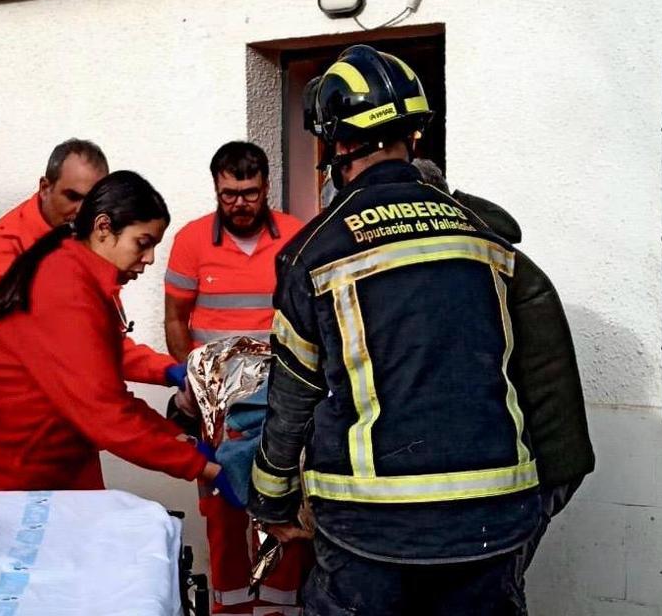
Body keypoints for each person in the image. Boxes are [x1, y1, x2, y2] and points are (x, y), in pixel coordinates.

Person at [249, 44, 542, 616]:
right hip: (495, 514)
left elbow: (292, 400)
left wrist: (271, 497)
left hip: (373, 527)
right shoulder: (484, 236)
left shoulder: (313, 252)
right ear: (414, 137)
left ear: (336, 144)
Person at [0, 171, 238, 512]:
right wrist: (199, 465)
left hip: (29, 467)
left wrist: (179, 437)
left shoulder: (80, 275)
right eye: (142, 244)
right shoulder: (65, 285)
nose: (148, 259)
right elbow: (105, 413)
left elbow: (103, 384)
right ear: (103, 227)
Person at [410, 158, 594, 570]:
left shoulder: (475, 268)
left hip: (533, 469)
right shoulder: (486, 255)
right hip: (540, 464)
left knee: (490, 589)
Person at [163, 142, 306, 615]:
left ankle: (279, 608)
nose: (239, 203)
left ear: (266, 187)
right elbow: (174, 322)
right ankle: (230, 609)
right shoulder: (191, 241)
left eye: (249, 193)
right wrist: (193, 381)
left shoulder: (296, 235)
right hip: (218, 408)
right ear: (216, 189)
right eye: (229, 194)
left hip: (282, 403)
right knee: (223, 513)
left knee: (281, 504)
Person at [0, 139, 181, 392]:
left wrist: (168, 370)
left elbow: (100, 349)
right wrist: (16, 368)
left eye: (90, 201)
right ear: (45, 187)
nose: (81, 210)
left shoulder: (89, 256)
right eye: (72, 196)